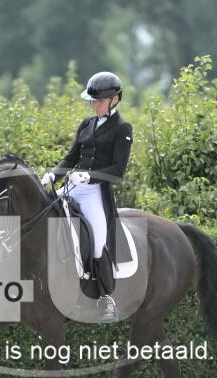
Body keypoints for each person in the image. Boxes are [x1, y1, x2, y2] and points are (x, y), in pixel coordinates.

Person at [41, 71, 133, 322]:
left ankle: (106, 298)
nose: (95, 105)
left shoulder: (122, 128)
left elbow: (118, 171)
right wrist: (53, 175)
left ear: (115, 99)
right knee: (46, 220)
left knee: (97, 240)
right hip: (72, 186)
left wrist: (89, 176)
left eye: (100, 101)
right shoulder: (86, 124)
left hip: (95, 192)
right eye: (93, 101)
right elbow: (71, 157)